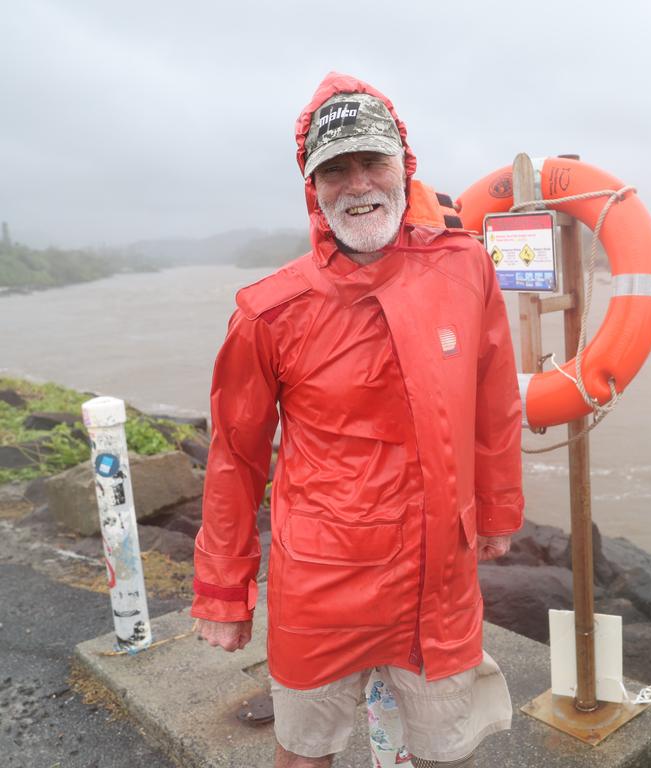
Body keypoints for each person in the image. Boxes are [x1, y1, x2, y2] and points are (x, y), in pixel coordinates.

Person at [190, 72, 524, 768]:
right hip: (322, 580)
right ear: (312, 188)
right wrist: (223, 590)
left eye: (372, 161)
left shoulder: (467, 268)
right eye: (334, 170)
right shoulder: (267, 312)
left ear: (405, 166)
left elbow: (493, 403)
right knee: (304, 751)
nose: (358, 183)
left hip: (444, 571)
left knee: (449, 748)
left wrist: (494, 513)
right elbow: (235, 457)